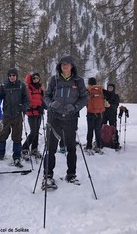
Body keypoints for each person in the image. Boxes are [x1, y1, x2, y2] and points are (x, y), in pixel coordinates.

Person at [43, 56, 88, 188]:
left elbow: (84, 98)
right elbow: (46, 96)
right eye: (62, 64)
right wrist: (50, 104)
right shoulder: (54, 80)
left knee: (71, 148)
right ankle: (48, 176)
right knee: (51, 148)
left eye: (67, 64)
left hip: (70, 118)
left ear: (72, 66)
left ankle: (71, 174)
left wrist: (75, 107)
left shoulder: (78, 81)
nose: (65, 66)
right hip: (54, 117)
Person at [0, 68, 30, 167]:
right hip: (6, 114)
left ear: (16, 76)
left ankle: (16, 157)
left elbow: (27, 99)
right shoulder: (3, 86)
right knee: (2, 134)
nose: (12, 77)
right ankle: (0, 154)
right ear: (8, 76)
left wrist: (23, 107)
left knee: (17, 137)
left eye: (13, 75)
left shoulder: (21, 86)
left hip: (17, 115)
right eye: (10, 75)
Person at [21, 72, 45, 160]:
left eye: (37, 78)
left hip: (38, 112)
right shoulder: (29, 88)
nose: (36, 80)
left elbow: (42, 100)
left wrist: (44, 106)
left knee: (37, 131)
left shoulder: (39, 88)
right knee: (33, 132)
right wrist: (36, 107)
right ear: (31, 79)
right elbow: (28, 100)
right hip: (32, 113)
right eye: (34, 78)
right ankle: (24, 148)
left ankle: (34, 149)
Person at [85, 77, 105, 155]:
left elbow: (85, 100)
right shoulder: (100, 90)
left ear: (89, 83)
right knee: (97, 130)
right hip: (99, 113)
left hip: (91, 113)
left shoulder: (88, 90)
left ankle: (89, 146)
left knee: (90, 130)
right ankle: (99, 146)